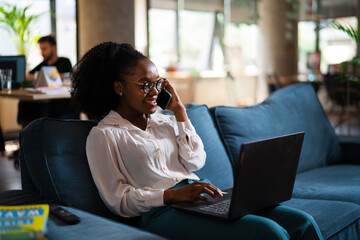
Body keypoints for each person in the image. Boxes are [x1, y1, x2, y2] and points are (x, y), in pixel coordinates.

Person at [71, 42, 324, 240]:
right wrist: (171, 196)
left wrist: (180, 111)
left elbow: (195, 159)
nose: (155, 92)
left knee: (303, 223)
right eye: (144, 85)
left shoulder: (165, 121)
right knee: (270, 234)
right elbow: (119, 201)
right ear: (118, 88)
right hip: (162, 213)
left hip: (204, 195)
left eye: (158, 83)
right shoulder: (104, 135)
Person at [18, 35, 78, 127]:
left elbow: (61, 76)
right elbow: (27, 75)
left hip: (62, 102)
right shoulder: (43, 64)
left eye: (44, 49)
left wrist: (39, 76)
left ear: (53, 47)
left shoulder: (64, 61)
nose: (42, 52)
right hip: (47, 101)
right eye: (41, 49)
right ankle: (29, 129)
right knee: (25, 102)